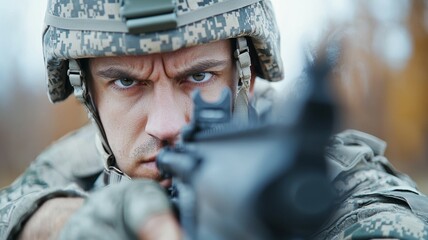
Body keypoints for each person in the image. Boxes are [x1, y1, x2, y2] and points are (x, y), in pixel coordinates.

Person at [1, 0, 428, 239]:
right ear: (88, 94)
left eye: (198, 76)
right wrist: (59, 224)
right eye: (127, 83)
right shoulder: (78, 162)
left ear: (247, 74)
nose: (166, 125)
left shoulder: (323, 178)